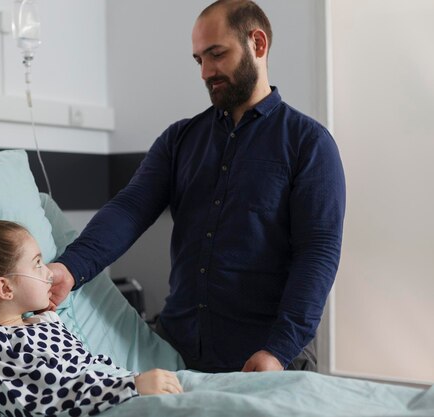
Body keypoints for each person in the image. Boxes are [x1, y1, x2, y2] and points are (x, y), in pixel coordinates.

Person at [48, 0, 346, 373]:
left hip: (268, 359)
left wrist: (279, 350)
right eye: (198, 59)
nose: (206, 71)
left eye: (216, 54)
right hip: (179, 354)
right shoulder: (180, 140)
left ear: (258, 44)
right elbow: (130, 208)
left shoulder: (308, 143)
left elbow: (317, 254)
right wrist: (71, 268)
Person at [0, 206, 183, 417]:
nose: (48, 272)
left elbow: (87, 368)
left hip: (120, 391)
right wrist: (132, 386)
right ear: (5, 288)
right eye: (37, 264)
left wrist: (134, 382)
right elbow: (43, 403)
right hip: (115, 398)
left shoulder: (46, 320)